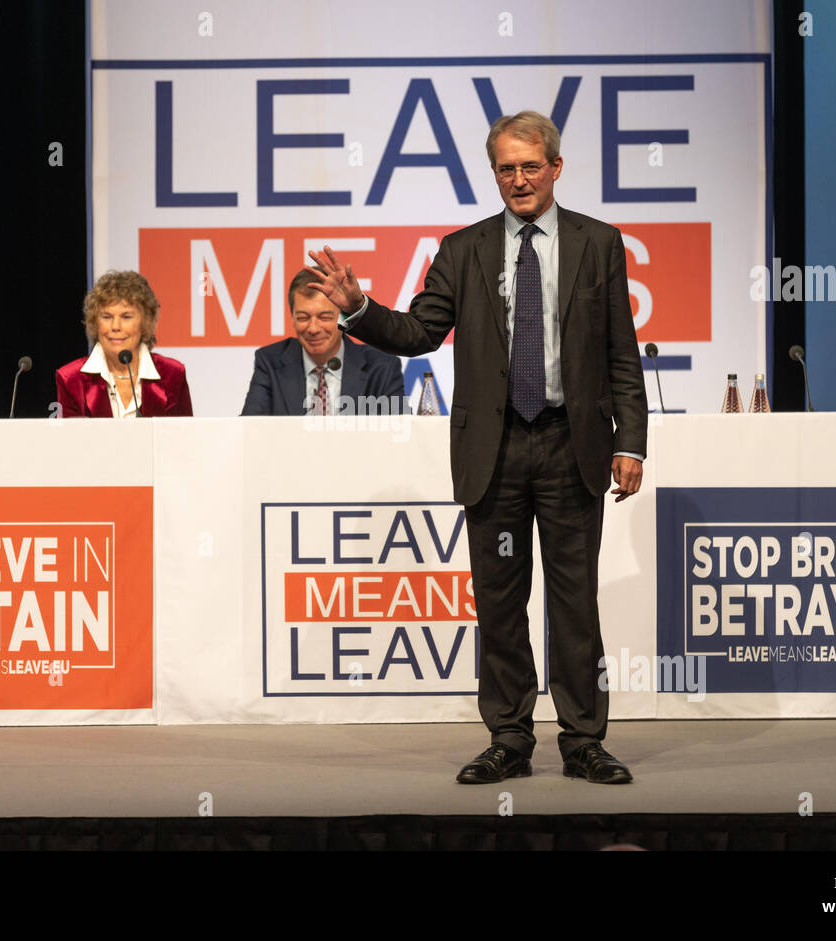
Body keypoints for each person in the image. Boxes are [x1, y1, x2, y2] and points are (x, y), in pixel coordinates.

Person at [307, 111, 648, 784]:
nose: (518, 180)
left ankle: (583, 740)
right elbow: (417, 333)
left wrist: (630, 442)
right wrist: (357, 307)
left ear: (555, 167)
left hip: (569, 445)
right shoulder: (463, 250)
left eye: (529, 166)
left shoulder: (599, 243)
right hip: (493, 452)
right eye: (505, 168)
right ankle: (510, 737)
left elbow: (620, 355)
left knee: (575, 603)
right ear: (493, 173)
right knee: (498, 601)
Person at [241, 268, 405, 416]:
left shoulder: (382, 369)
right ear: (292, 318)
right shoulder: (270, 363)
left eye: (324, 317)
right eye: (303, 317)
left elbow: (397, 440)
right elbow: (250, 432)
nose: (313, 328)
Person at [55, 270, 192, 418]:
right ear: (95, 322)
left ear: (145, 322)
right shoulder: (71, 379)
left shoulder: (173, 375)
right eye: (106, 317)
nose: (115, 326)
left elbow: (184, 437)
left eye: (126, 317)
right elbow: (68, 440)